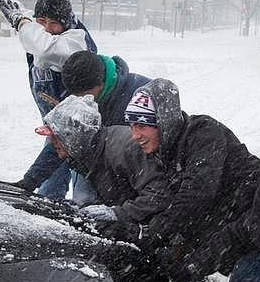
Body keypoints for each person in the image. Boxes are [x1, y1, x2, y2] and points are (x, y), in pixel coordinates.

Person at [123, 78, 260, 282]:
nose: (135, 135)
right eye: (132, 126)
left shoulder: (203, 133)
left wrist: (154, 234)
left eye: (142, 126)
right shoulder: (165, 149)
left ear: (164, 122)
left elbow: (196, 194)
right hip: (236, 225)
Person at [0, 0, 97, 202]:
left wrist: (21, 22)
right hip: (57, 131)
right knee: (47, 195)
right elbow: (22, 21)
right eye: (41, 21)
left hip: (87, 135)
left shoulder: (76, 41)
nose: (45, 28)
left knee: (86, 198)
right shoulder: (38, 33)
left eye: (53, 24)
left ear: (66, 24)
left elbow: (44, 47)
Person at [17, 50, 151, 196]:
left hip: (138, 176)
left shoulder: (139, 97)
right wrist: (29, 181)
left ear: (100, 84)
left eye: (83, 94)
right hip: (96, 166)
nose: (79, 100)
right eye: (73, 94)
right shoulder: (80, 95)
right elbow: (63, 140)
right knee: (84, 201)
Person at [33, 94, 170, 234]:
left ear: (74, 136)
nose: (51, 142)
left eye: (56, 137)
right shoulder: (90, 153)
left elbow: (159, 195)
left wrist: (118, 214)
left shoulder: (123, 149)